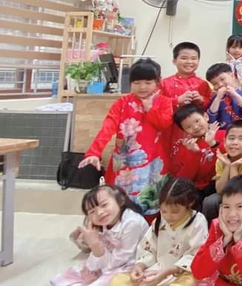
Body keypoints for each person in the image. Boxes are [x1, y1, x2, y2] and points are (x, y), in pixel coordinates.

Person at [19, 185, 149, 286]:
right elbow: (99, 256)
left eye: (104, 205)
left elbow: (121, 259)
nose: (99, 213)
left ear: (120, 200)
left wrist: (96, 248)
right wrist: (93, 264)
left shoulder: (132, 223)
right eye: (92, 211)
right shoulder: (103, 224)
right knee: (81, 276)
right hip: (110, 262)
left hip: (132, 265)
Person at [99, 178, 208, 286]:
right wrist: (139, 267)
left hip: (181, 275)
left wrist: (167, 272)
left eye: (175, 212)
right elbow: (148, 248)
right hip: (156, 273)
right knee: (116, 281)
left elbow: (195, 255)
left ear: (190, 203)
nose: (168, 216)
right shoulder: (159, 222)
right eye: (163, 211)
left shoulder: (198, 222)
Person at [79, 58, 172, 216]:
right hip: (124, 164)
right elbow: (107, 128)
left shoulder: (164, 102)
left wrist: (150, 109)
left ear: (158, 82)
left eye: (148, 82)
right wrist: (94, 152)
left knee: (152, 205)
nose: (142, 87)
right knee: (119, 206)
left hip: (154, 163)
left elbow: (165, 124)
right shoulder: (121, 103)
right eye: (137, 82)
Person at [159, 42, 213, 173]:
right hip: (171, 129)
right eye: (184, 58)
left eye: (194, 58)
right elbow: (157, 104)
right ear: (174, 60)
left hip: (196, 129)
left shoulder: (203, 84)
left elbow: (209, 106)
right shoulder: (164, 83)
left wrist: (201, 100)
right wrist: (176, 101)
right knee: (170, 161)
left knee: (194, 160)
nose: (189, 62)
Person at [203, 120, 242, 223]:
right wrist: (227, 166)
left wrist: (233, 167)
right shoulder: (222, 158)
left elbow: (240, 192)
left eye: (241, 139)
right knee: (210, 201)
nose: (235, 142)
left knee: (239, 205)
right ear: (224, 141)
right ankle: (212, 230)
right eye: (231, 138)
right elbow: (220, 190)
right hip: (229, 194)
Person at [172, 104, 226, 207]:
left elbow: (230, 158)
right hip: (197, 189)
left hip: (220, 183)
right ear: (184, 130)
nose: (195, 127)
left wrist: (213, 143)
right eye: (188, 127)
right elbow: (186, 177)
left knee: (210, 202)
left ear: (206, 116)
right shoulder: (187, 146)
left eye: (197, 121)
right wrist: (195, 153)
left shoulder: (223, 135)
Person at [206, 63, 242, 129]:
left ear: (232, 75)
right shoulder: (215, 99)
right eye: (215, 83)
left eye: (222, 79)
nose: (220, 84)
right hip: (222, 132)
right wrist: (217, 99)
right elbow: (210, 119)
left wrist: (235, 95)